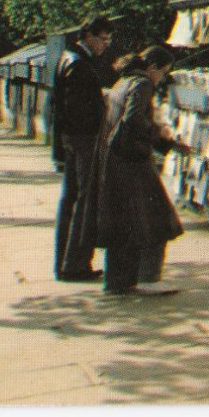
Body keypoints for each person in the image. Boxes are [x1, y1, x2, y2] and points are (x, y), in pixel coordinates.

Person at [86, 46, 188, 296]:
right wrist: (162, 138)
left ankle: (118, 282)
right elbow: (133, 119)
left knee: (124, 221)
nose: (161, 79)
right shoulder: (143, 84)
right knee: (155, 218)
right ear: (152, 67)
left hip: (114, 160)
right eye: (162, 73)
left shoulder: (123, 81)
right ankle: (143, 279)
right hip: (131, 160)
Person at [53, 16, 116, 283]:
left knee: (71, 199)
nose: (105, 45)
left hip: (70, 139)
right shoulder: (79, 65)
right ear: (88, 35)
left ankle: (65, 263)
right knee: (83, 201)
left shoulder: (68, 58)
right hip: (84, 139)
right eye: (102, 39)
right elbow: (79, 108)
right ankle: (75, 264)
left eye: (108, 41)